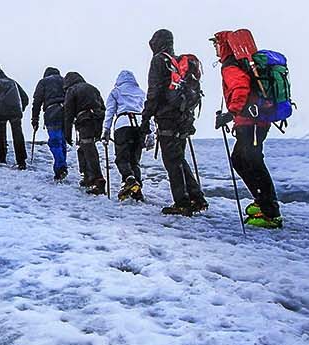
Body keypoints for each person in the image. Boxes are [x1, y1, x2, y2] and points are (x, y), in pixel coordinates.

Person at [213, 33, 283, 229]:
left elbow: (240, 88)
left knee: (250, 161)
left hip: (250, 122)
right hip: (254, 121)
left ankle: (270, 212)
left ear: (224, 46)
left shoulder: (231, 66)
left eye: (217, 45)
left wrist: (231, 113)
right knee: (244, 160)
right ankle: (263, 201)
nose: (216, 49)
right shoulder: (242, 63)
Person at [143, 29, 208, 216]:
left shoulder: (159, 61)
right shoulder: (178, 62)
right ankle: (196, 197)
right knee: (178, 158)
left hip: (168, 117)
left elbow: (154, 92)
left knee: (172, 160)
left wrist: (146, 116)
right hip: (184, 116)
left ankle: (183, 202)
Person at [60, 72, 108, 195]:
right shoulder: (92, 88)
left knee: (88, 148)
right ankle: (88, 177)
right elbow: (103, 107)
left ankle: (98, 179)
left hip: (85, 120)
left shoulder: (72, 90)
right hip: (97, 119)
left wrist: (67, 134)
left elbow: (68, 113)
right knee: (84, 147)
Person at [104, 70, 149, 201]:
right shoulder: (141, 93)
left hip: (122, 125)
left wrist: (106, 130)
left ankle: (129, 179)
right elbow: (147, 113)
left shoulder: (116, 91)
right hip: (139, 125)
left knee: (122, 158)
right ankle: (137, 191)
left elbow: (110, 112)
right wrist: (150, 132)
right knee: (135, 160)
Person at [0, 67, 30, 168]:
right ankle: (21, 160)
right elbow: (25, 98)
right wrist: (20, 109)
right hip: (15, 112)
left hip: (0, 113)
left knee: (0, 134)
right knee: (18, 135)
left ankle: (1, 157)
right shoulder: (13, 82)